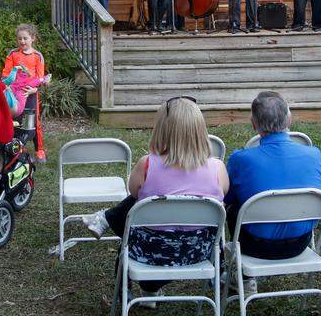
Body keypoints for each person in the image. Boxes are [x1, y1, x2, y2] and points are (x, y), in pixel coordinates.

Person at [81, 96, 228, 300]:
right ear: (199, 129)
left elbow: (133, 193)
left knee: (135, 212)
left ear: (162, 129)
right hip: (198, 253)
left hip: (148, 253)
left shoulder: (147, 165)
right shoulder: (218, 168)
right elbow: (224, 193)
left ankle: (130, 292)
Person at [225, 91, 321, 261]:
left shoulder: (241, 159)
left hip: (254, 244)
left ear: (253, 124)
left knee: (234, 206)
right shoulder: (314, 155)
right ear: (289, 120)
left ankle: (244, 278)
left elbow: (227, 198)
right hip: (300, 243)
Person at [2, 24, 48, 151]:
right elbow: (5, 75)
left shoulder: (38, 56)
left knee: (34, 122)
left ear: (32, 38)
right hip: (14, 94)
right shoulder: (13, 54)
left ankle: (39, 149)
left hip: (31, 93)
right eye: (19, 38)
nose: (22, 41)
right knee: (15, 121)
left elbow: (40, 78)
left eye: (25, 38)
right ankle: (15, 147)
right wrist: (8, 87)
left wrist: (35, 90)